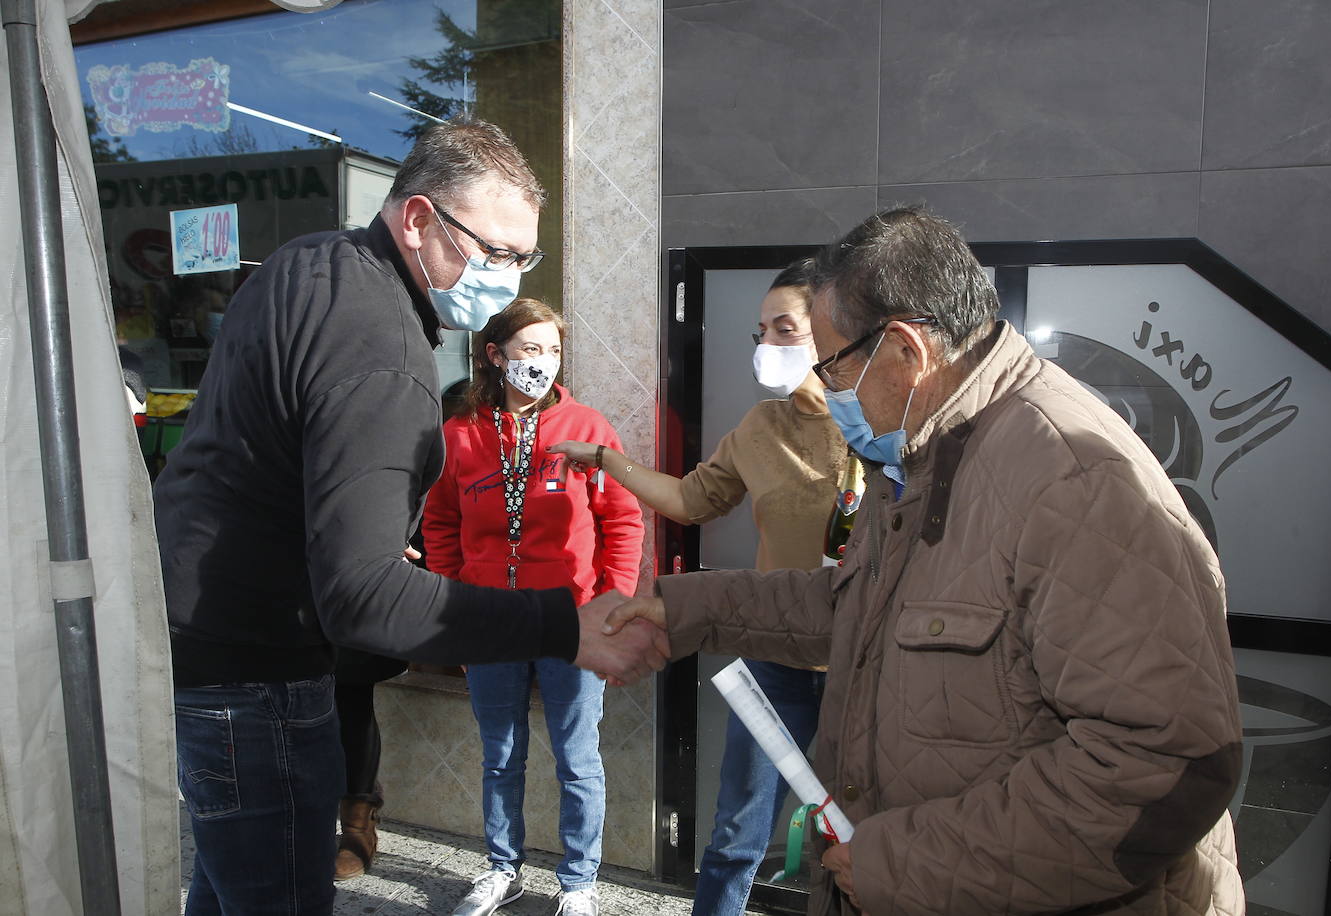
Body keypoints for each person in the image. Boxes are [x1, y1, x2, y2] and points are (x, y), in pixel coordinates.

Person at [592, 206, 1245, 915]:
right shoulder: (924, 451)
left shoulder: (1076, 479)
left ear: (905, 350)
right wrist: (683, 608)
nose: (829, 387)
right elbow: (857, 607)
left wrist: (900, 861)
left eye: (834, 364)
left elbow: (1161, 766)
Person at [153, 119, 664, 916]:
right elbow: (362, 595)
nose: (505, 275)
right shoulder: (387, 354)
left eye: (523, 258)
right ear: (419, 220)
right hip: (260, 674)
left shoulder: (310, 263)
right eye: (492, 252)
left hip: (201, 647)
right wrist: (568, 628)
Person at [549, 260, 847, 915]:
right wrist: (605, 460)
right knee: (738, 833)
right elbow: (690, 500)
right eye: (760, 331)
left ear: (830, 330)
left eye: (785, 329)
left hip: (866, 665)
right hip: (779, 662)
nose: (767, 344)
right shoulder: (760, 429)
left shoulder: (877, 426)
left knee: (851, 838)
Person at [422, 298, 644, 916]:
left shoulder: (588, 429)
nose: (542, 363)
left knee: (577, 759)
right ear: (495, 354)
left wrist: (613, 602)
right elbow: (439, 521)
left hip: (571, 619)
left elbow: (623, 518)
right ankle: (502, 869)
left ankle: (579, 883)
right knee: (500, 754)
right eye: (530, 349)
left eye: (552, 351)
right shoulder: (459, 433)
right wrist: (452, 598)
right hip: (488, 618)